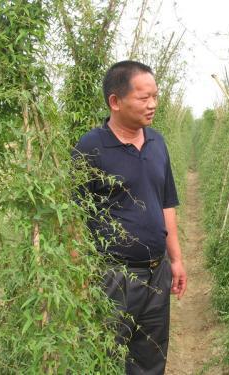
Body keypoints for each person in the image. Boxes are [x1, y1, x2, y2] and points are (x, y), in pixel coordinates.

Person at [73, 60, 187, 374]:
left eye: (155, 96)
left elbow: (166, 203)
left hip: (156, 273)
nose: (152, 105)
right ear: (115, 101)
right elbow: (72, 217)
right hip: (113, 277)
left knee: (150, 358)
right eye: (143, 97)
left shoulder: (157, 143)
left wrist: (175, 259)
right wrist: (79, 278)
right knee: (105, 358)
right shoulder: (91, 148)